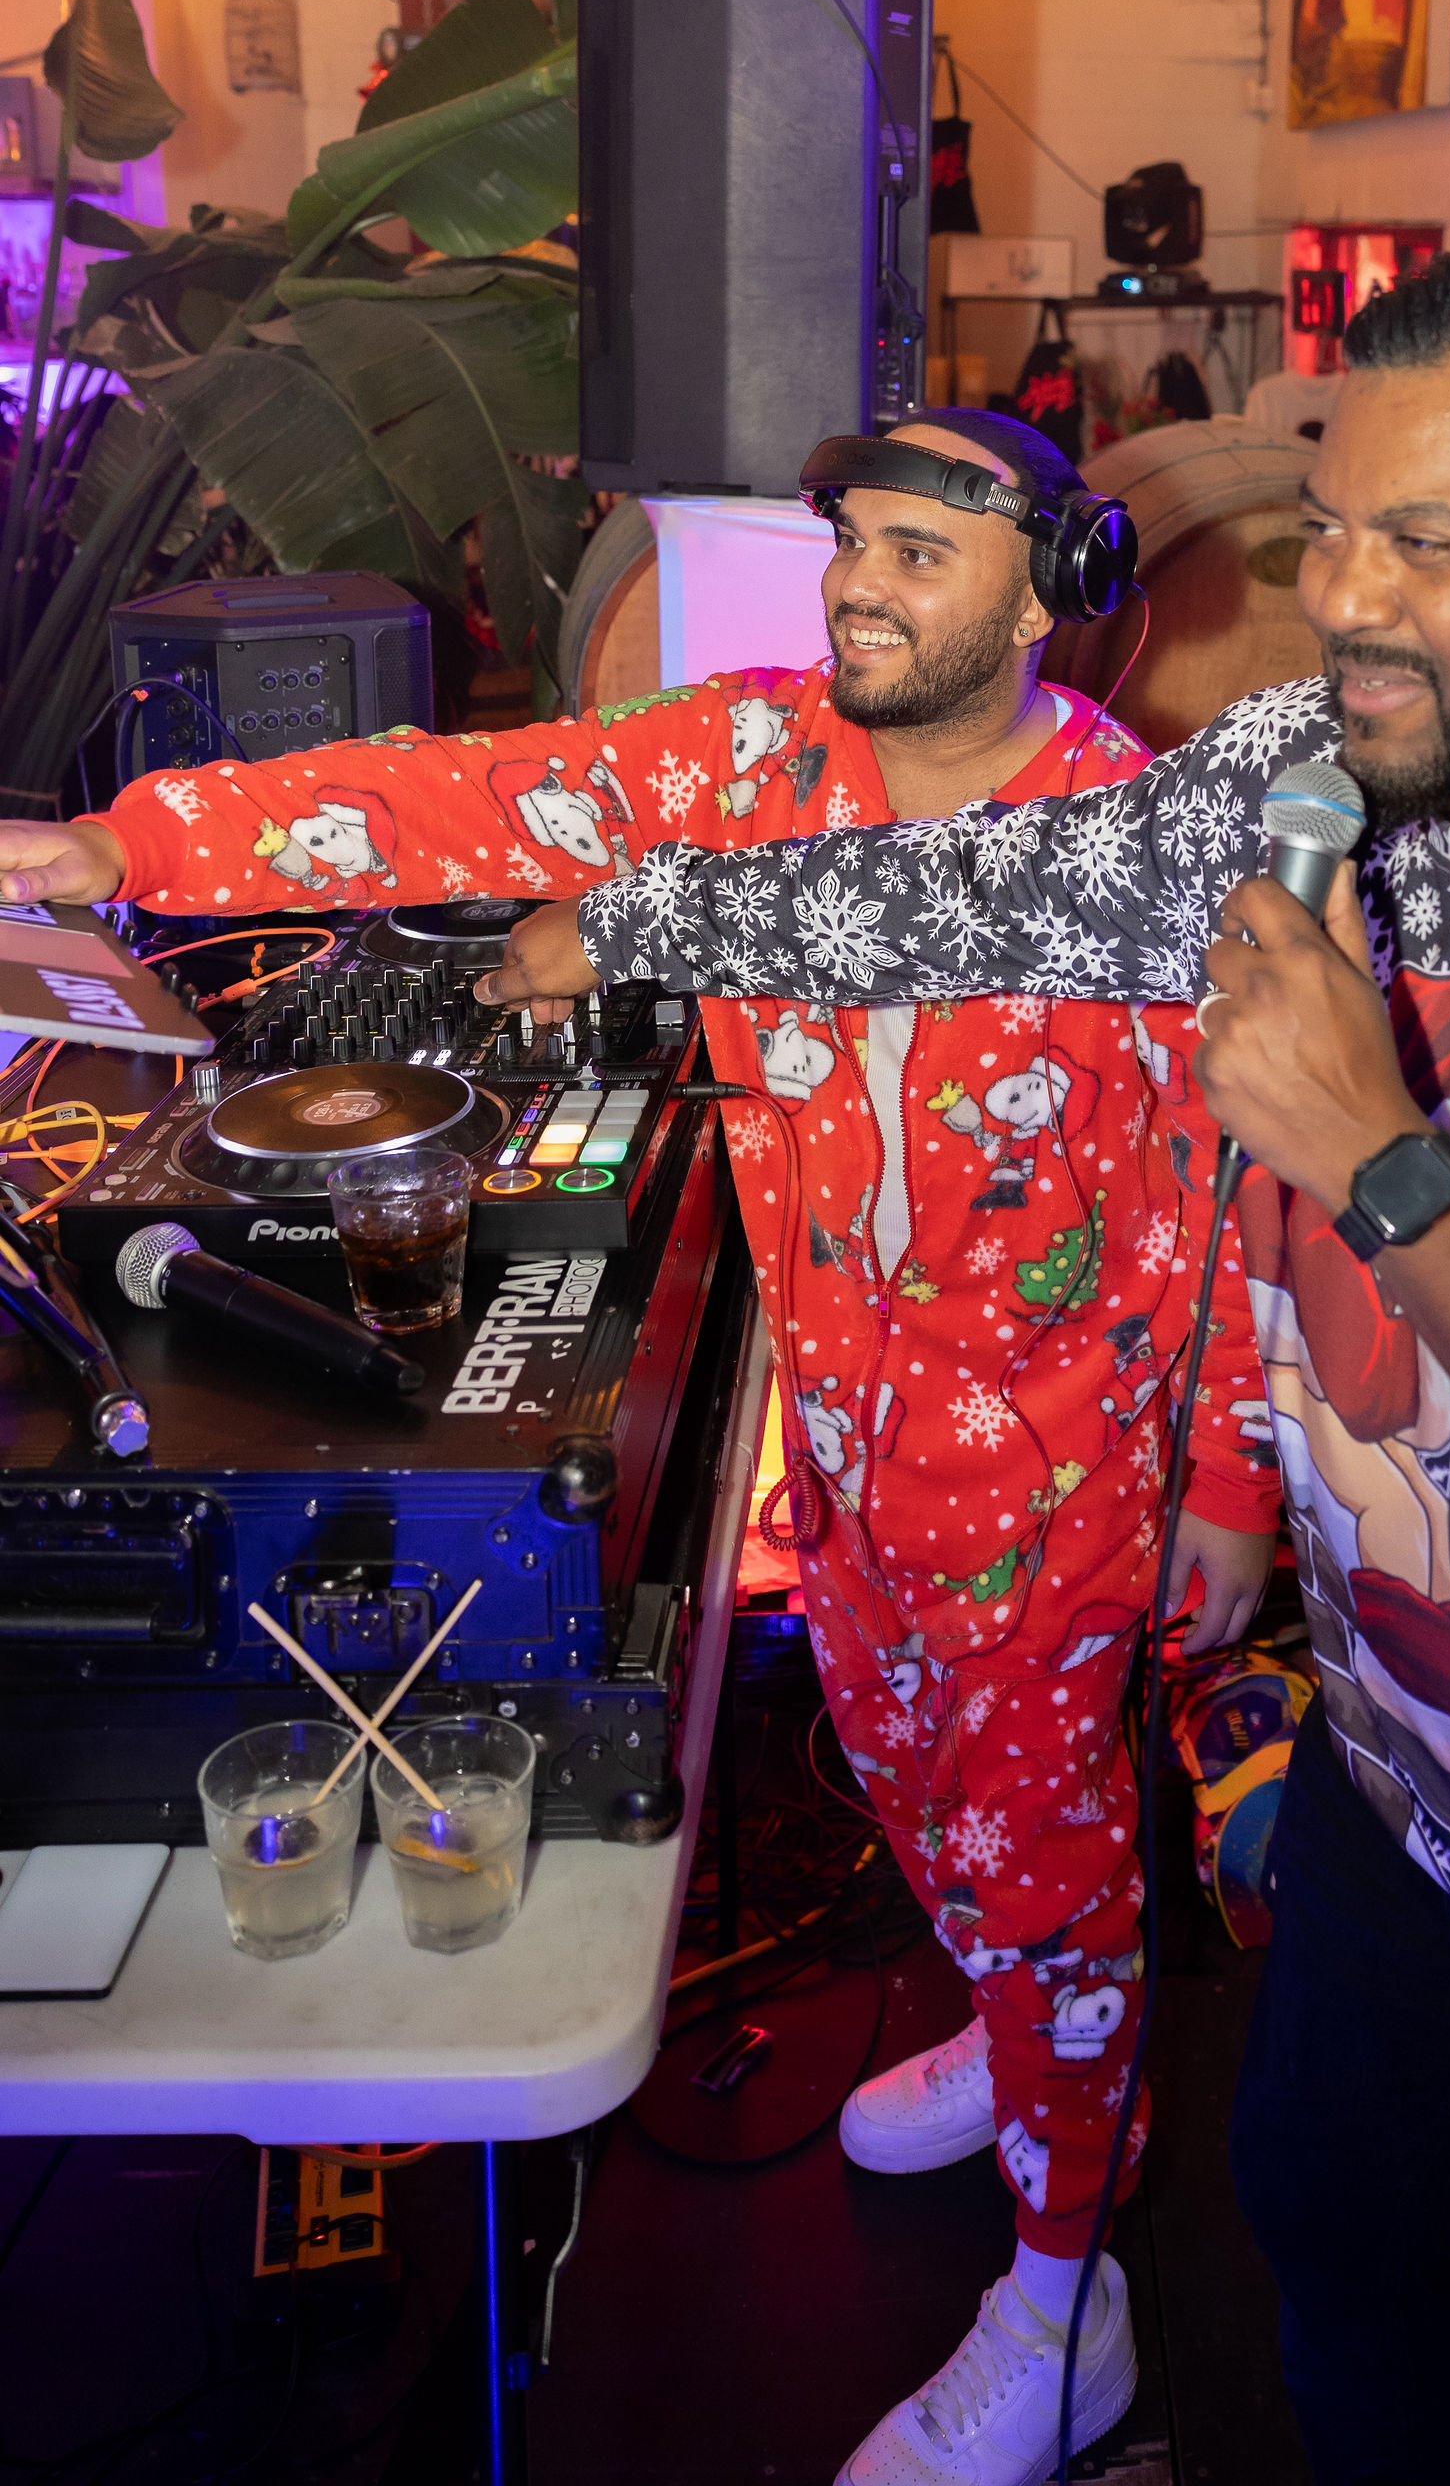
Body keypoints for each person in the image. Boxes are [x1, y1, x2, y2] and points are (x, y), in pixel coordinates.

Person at [479, 254, 1450, 2486]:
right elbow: (992, 887)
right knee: (1335, 2247)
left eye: (1426, 544)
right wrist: (627, 924)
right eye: (1332, 532)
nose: (1343, 602)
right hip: (1422, 1786)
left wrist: (1387, 1166)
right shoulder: (1331, 769)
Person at [6, 412, 1280, 2486]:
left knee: (1050, 1861)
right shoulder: (755, 754)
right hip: (843, 1440)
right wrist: (121, 852)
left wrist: (1226, 1476)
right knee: (895, 1770)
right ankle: (1011, 2025)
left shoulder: (1136, 838)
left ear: (1051, 593)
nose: (859, 583)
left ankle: (1070, 2294)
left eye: (923, 551)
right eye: (853, 539)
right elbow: (460, 792)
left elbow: (1242, 1169)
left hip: (1063, 1472)